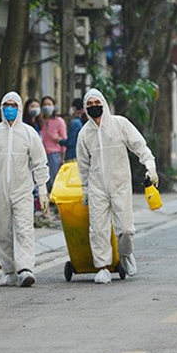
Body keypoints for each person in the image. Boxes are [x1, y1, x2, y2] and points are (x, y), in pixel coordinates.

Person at [76, 88, 158, 284]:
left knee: (126, 229)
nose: (94, 107)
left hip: (120, 183)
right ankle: (103, 266)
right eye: (90, 104)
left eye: (97, 103)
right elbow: (83, 165)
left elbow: (139, 146)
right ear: (85, 108)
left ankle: (126, 254)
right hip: (97, 187)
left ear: (104, 103)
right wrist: (86, 189)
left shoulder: (120, 124)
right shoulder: (84, 133)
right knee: (98, 229)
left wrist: (151, 166)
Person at [0, 91, 50, 287]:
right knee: (2, 232)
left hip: (22, 191)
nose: (10, 109)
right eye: (6, 105)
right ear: (1, 108)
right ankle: (9, 271)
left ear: (19, 108)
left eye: (13, 105)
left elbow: (39, 162)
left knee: (24, 229)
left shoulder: (28, 133)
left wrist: (42, 188)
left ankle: (25, 269)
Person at [38, 95, 67, 191]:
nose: (47, 106)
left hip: (55, 154)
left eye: (49, 104)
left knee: (54, 180)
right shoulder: (39, 121)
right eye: (45, 104)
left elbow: (64, 139)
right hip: (41, 154)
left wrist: (63, 158)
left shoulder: (59, 121)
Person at [59, 97, 87, 162]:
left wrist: (60, 141)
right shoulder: (82, 122)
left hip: (72, 156)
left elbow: (70, 142)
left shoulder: (75, 123)